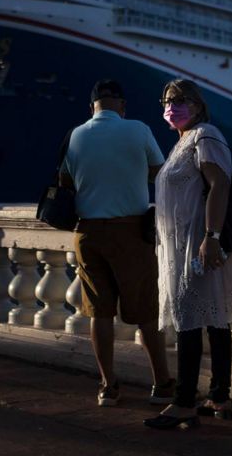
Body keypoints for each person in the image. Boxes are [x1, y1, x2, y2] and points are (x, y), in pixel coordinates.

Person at [144, 79, 232, 430]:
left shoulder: (204, 135)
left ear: (197, 103)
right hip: (182, 245)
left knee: (190, 320)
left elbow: (220, 184)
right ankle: (219, 397)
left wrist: (212, 236)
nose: (171, 106)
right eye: (166, 100)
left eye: (179, 100)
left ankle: (183, 403)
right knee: (212, 318)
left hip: (198, 242)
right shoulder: (182, 142)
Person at [60, 79, 174, 407]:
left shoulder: (75, 135)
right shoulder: (137, 129)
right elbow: (160, 172)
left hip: (87, 233)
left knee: (100, 313)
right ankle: (162, 384)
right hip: (130, 232)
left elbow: (66, 180)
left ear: (91, 106)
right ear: (122, 106)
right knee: (146, 312)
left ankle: (108, 386)